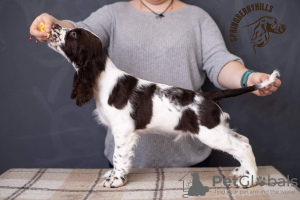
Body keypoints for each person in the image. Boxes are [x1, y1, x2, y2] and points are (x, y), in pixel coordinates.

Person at [30, 0, 281, 168]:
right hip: (129, 162)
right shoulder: (113, 14)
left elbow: (218, 61)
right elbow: (81, 34)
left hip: (190, 157)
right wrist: (53, 25)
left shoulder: (198, 18)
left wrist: (248, 78)